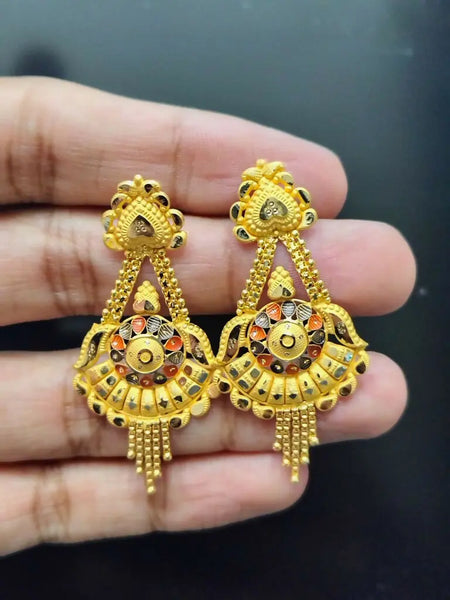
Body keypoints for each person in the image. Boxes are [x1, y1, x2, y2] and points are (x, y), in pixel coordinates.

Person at [0, 76, 415, 555]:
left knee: (275, 431)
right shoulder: (168, 312)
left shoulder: (268, 303)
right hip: (176, 362)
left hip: (264, 354)